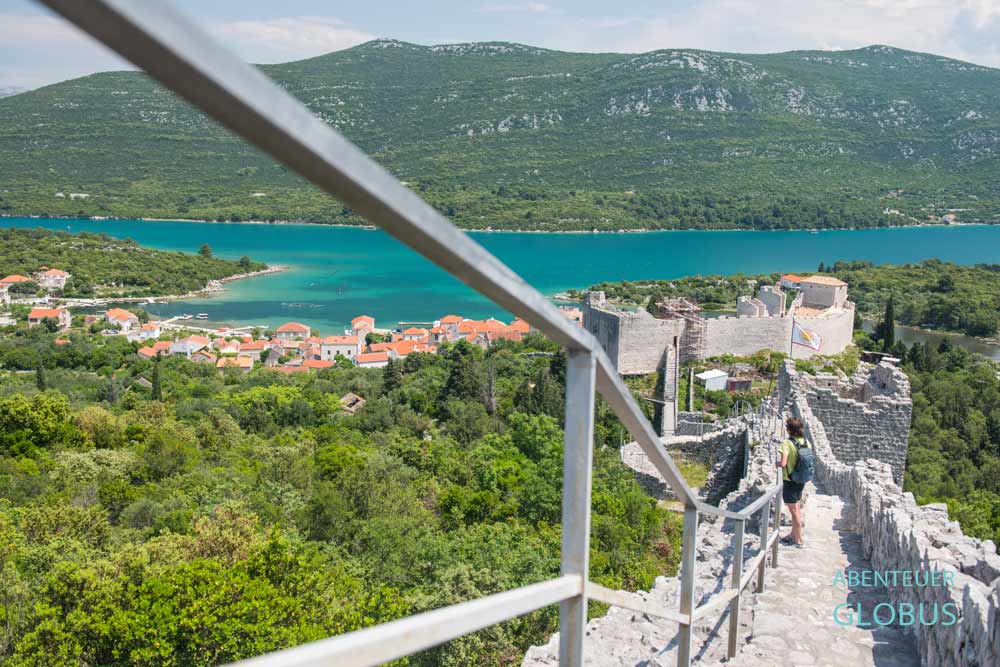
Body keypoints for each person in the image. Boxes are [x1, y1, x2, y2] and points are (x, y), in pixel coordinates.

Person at [778, 417, 807, 547]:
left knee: (793, 511)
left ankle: (799, 539)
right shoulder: (805, 441)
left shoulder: (787, 443)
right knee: (797, 507)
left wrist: (777, 464)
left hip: (789, 480)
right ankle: (793, 534)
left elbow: (783, 463)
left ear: (789, 430)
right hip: (801, 479)